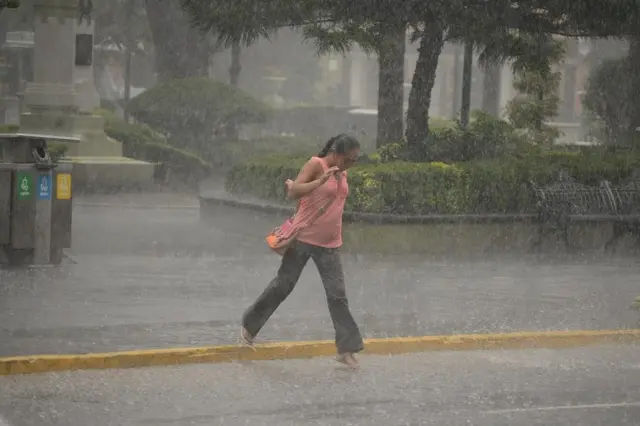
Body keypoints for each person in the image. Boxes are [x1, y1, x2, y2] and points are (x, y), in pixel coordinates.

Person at [240, 134, 364, 370]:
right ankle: (249, 326)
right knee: (283, 285)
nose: (351, 164)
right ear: (336, 153)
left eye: (354, 161)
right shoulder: (316, 164)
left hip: (330, 244)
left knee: (337, 295)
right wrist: (319, 181)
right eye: (349, 159)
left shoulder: (342, 171)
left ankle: (346, 349)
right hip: (303, 240)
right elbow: (293, 192)